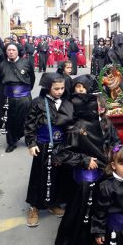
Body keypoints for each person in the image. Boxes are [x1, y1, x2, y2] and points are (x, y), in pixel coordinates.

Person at [54, 75, 118, 245]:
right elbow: (62, 153)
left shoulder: (106, 123)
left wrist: (114, 153)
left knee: (100, 210)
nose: (97, 107)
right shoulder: (78, 125)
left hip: (104, 174)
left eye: (100, 104)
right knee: (81, 211)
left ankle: (96, 238)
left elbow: (115, 141)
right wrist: (84, 160)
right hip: (86, 177)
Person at [24, 73, 74, 227]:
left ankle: (53, 203)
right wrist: (32, 143)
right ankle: (34, 207)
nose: (59, 91)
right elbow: (30, 124)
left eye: (62, 88)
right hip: (43, 145)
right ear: (48, 88)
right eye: (56, 88)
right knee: (39, 176)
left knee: (58, 176)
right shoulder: (38, 103)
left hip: (62, 145)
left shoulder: (67, 102)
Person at [0, 43, 35, 152]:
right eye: (9, 50)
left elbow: (32, 77)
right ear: (6, 51)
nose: (11, 52)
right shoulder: (2, 64)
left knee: (27, 118)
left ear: (18, 51)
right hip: (8, 96)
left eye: (13, 50)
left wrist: (27, 90)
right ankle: (11, 142)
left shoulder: (26, 62)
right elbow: (1, 80)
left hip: (24, 96)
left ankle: (29, 139)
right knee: (9, 120)